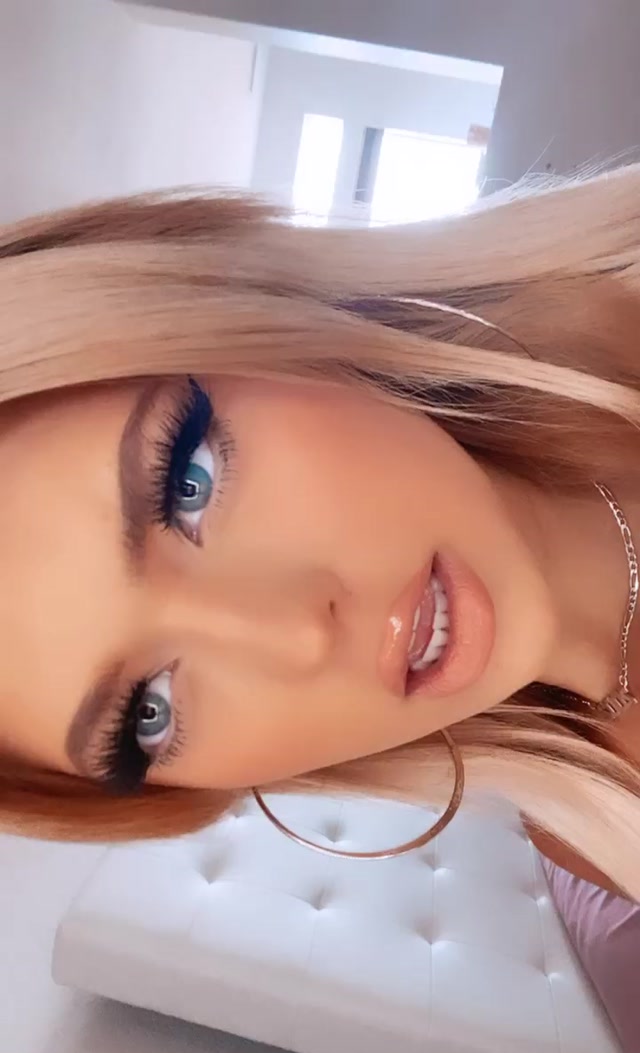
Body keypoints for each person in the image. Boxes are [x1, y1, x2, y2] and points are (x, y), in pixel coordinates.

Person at [1, 166, 640, 903]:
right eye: (150, 713)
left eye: (188, 484)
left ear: (253, 311)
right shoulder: (601, 838)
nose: (299, 637)